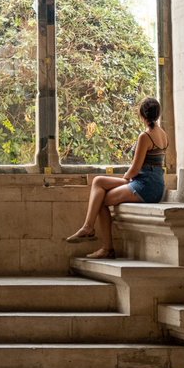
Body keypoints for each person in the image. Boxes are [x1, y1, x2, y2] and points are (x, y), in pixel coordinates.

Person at [64, 97, 168, 258]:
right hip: (155, 183)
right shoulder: (163, 134)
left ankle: (106, 247)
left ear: (142, 115)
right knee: (99, 181)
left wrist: (127, 179)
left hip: (146, 185)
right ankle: (88, 227)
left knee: (102, 200)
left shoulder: (145, 136)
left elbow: (135, 168)